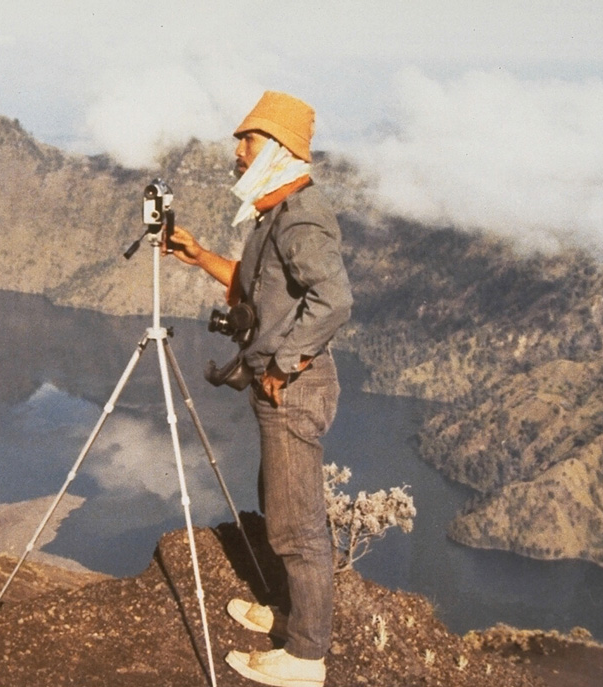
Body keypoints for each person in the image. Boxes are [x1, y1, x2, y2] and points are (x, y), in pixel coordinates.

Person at [166, 91, 352, 687]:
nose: (237, 154)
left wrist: (284, 365)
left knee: (298, 527)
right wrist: (199, 257)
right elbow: (256, 290)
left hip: (293, 390)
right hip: (282, 387)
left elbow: (335, 301)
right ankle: (287, 612)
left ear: (275, 150)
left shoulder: (302, 218)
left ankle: (305, 656)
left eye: (246, 142)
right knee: (280, 507)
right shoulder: (275, 214)